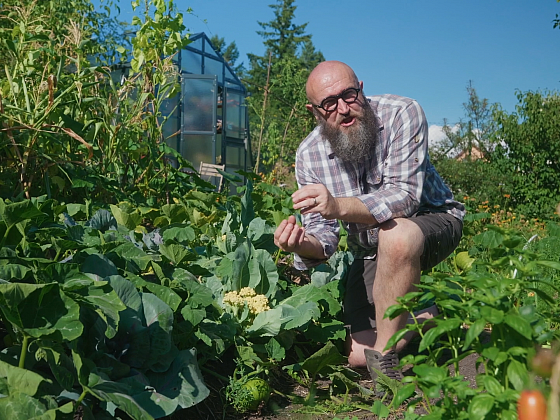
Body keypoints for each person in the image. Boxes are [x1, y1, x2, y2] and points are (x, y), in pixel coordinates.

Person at [273, 61, 465, 389]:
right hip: (374, 248)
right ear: (315, 111)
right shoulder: (309, 155)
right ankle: (431, 318)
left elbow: (404, 198)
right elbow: (324, 238)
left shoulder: (402, 112)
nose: (344, 109)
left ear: (361, 88)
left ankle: (386, 366)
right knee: (357, 354)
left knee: (398, 235)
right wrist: (299, 243)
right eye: (329, 104)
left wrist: (337, 205)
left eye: (349, 95)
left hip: (432, 222)